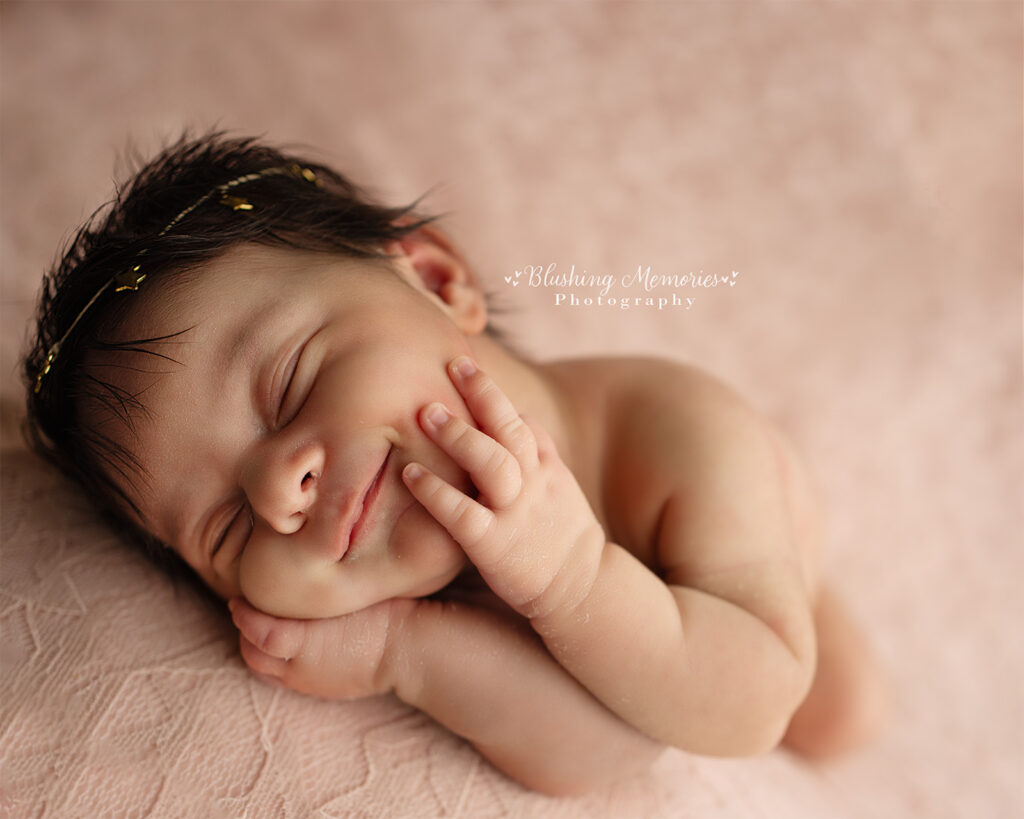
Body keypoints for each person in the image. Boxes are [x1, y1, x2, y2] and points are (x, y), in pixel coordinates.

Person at [23, 132, 885, 795]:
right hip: (640, 635)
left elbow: (752, 702)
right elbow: (607, 749)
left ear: (437, 281)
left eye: (292, 383)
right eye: (227, 528)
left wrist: (575, 581)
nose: (282, 490)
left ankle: (810, 586)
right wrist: (407, 650)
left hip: (729, 567)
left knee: (837, 713)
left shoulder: (680, 433)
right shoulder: (414, 586)